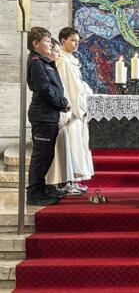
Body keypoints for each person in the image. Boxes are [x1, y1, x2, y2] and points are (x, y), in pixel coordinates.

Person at [26, 27, 71, 206]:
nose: (51, 44)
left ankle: (42, 188)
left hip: (49, 114)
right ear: (35, 44)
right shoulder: (37, 62)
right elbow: (44, 89)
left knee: (46, 155)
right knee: (41, 156)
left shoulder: (44, 61)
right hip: (43, 115)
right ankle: (34, 194)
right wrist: (62, 103)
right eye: (47, 41)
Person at [56, 28, 94, 193]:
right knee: (70, 147)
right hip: (71, 110)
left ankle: (74, 180)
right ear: (63, 41)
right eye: (72, 40)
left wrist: (86, 91)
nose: (76, 43)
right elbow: (70, 88)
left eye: (78, 41)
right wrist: (81, 102)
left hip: (77, 110)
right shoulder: (63, 61)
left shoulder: (70, 60)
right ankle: (67, 182)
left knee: (77, 146)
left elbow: (79, 83)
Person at [45, 40, 83, 196]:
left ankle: (66, 182)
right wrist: (65, 105)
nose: (58, 54)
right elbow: (55, 90)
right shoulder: (60, 63)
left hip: (64, 109)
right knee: (59, 151)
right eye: (56, 51)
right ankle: (58, 183)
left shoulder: (56, 65)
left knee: (67, 149)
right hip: (59, 112)